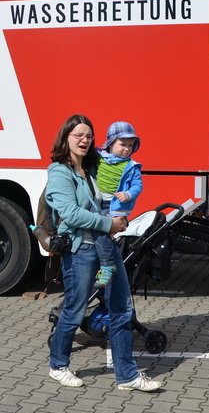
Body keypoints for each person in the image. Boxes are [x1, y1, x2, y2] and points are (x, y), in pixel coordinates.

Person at [45, 114, 163, 392]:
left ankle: (128, 376)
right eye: (78, 135)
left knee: (122, 308)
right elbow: (71, 214)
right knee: (74, 310)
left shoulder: (93, 168)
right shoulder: (59, 171)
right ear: (66, 138)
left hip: (106, 246)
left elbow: (120, 182)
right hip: (81, 250)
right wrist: (108, 223)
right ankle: (58, 365)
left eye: (88, 135)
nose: (84, 140)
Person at [93, 121, 143, 288]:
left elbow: (138, 185)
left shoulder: (131, 166)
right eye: (123, 144)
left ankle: (107, 266)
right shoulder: (99, 158)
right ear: (110, 143)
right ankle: (105, 264)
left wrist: (128, 194)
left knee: (102, 233)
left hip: (115, 208)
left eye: (130, 145)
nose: (127, 148)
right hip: (98, 203)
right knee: (99, 235)